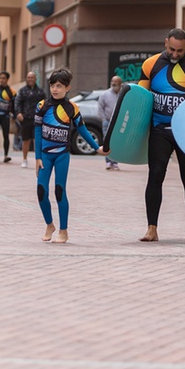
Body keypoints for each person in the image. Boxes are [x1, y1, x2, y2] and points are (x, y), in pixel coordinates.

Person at [138, 28, 185, 242]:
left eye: (179, 50)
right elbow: (141, 99)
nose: (175, 54)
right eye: (171, 49)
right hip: (160, 130)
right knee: (155, 175)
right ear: (165, 42)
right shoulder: (150, 64)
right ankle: (152, 228)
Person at [35, 68, 109, 243]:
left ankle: (63, 230)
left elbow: (82, 130)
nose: (55, 89)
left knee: (59, 191)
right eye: (52, 85)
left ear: (67, 88)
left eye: (59, 86)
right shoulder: (42, 106)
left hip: (62, 155)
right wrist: (37, 157)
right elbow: (37, 132)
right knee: (41, 190)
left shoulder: (72, 108)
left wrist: (97, 147)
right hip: (45, 155)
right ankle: (49, 224)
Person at [14, 71, 46, 168]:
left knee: (37, 140)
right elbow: (17, 102)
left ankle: (38, 160)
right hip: (26, 119)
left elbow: (45, 103)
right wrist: (18, 113)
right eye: (28, 77)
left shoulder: (40, 91)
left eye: (32, 77)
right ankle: (24, 159)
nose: (30, 79)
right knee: (26, 140)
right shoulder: (22, 91)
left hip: (38, 119)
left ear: (35, 79)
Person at [98, 75, 123, 170]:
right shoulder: (105, 94)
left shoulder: (122, 95)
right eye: (112, 81)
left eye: (116, 82)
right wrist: (103, 119)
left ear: (120, 84)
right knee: (107, 142)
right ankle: (108, 162)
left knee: (117, 142)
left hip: (118, 122)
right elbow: (100, 108)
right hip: (107, 121)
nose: (113, 83)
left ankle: (115, 162)